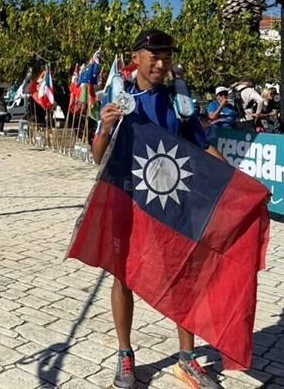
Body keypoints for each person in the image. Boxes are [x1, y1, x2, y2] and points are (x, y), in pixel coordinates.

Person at [93, 29, 225, 389]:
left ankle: (187, 359)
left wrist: (239, 182)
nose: (161, 62)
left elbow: (203, 145)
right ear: (136, 57)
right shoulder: (118, 98)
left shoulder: (179, 101)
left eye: (166, 56)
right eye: (154, 56)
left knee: (184, 275)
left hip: (171, 200)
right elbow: (98, 157)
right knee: (123, 277)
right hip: (128, 197)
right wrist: (105, 128)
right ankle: (125, 355)